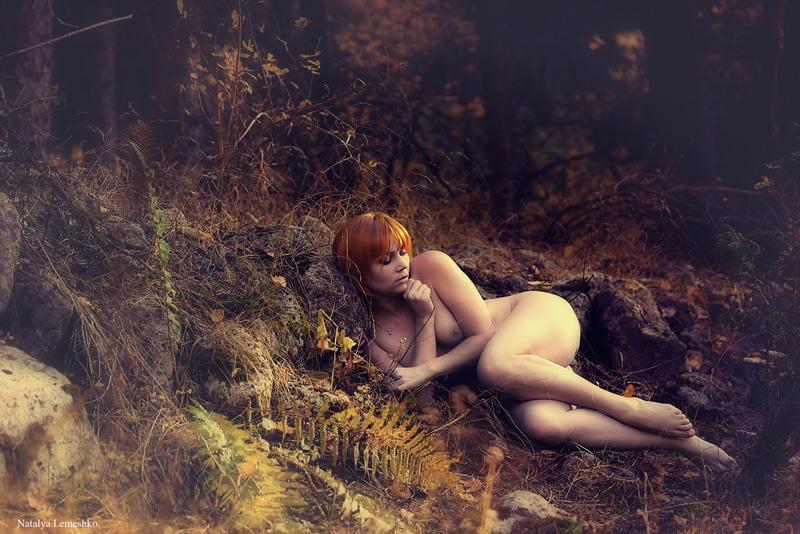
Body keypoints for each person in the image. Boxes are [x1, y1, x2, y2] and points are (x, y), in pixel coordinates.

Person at [332, 212, 738, 473]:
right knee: (542, 425)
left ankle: (627, 407)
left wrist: (428, 368)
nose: (402, 264)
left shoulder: (431, 267)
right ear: (358, 271)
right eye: (385, 260)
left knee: (494, 364)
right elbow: (423, 405)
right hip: (514, 379)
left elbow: (482, 335)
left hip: (538, 320)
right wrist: (423, 319)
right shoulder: (373, 338)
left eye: (402, 252)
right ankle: (681, 444)